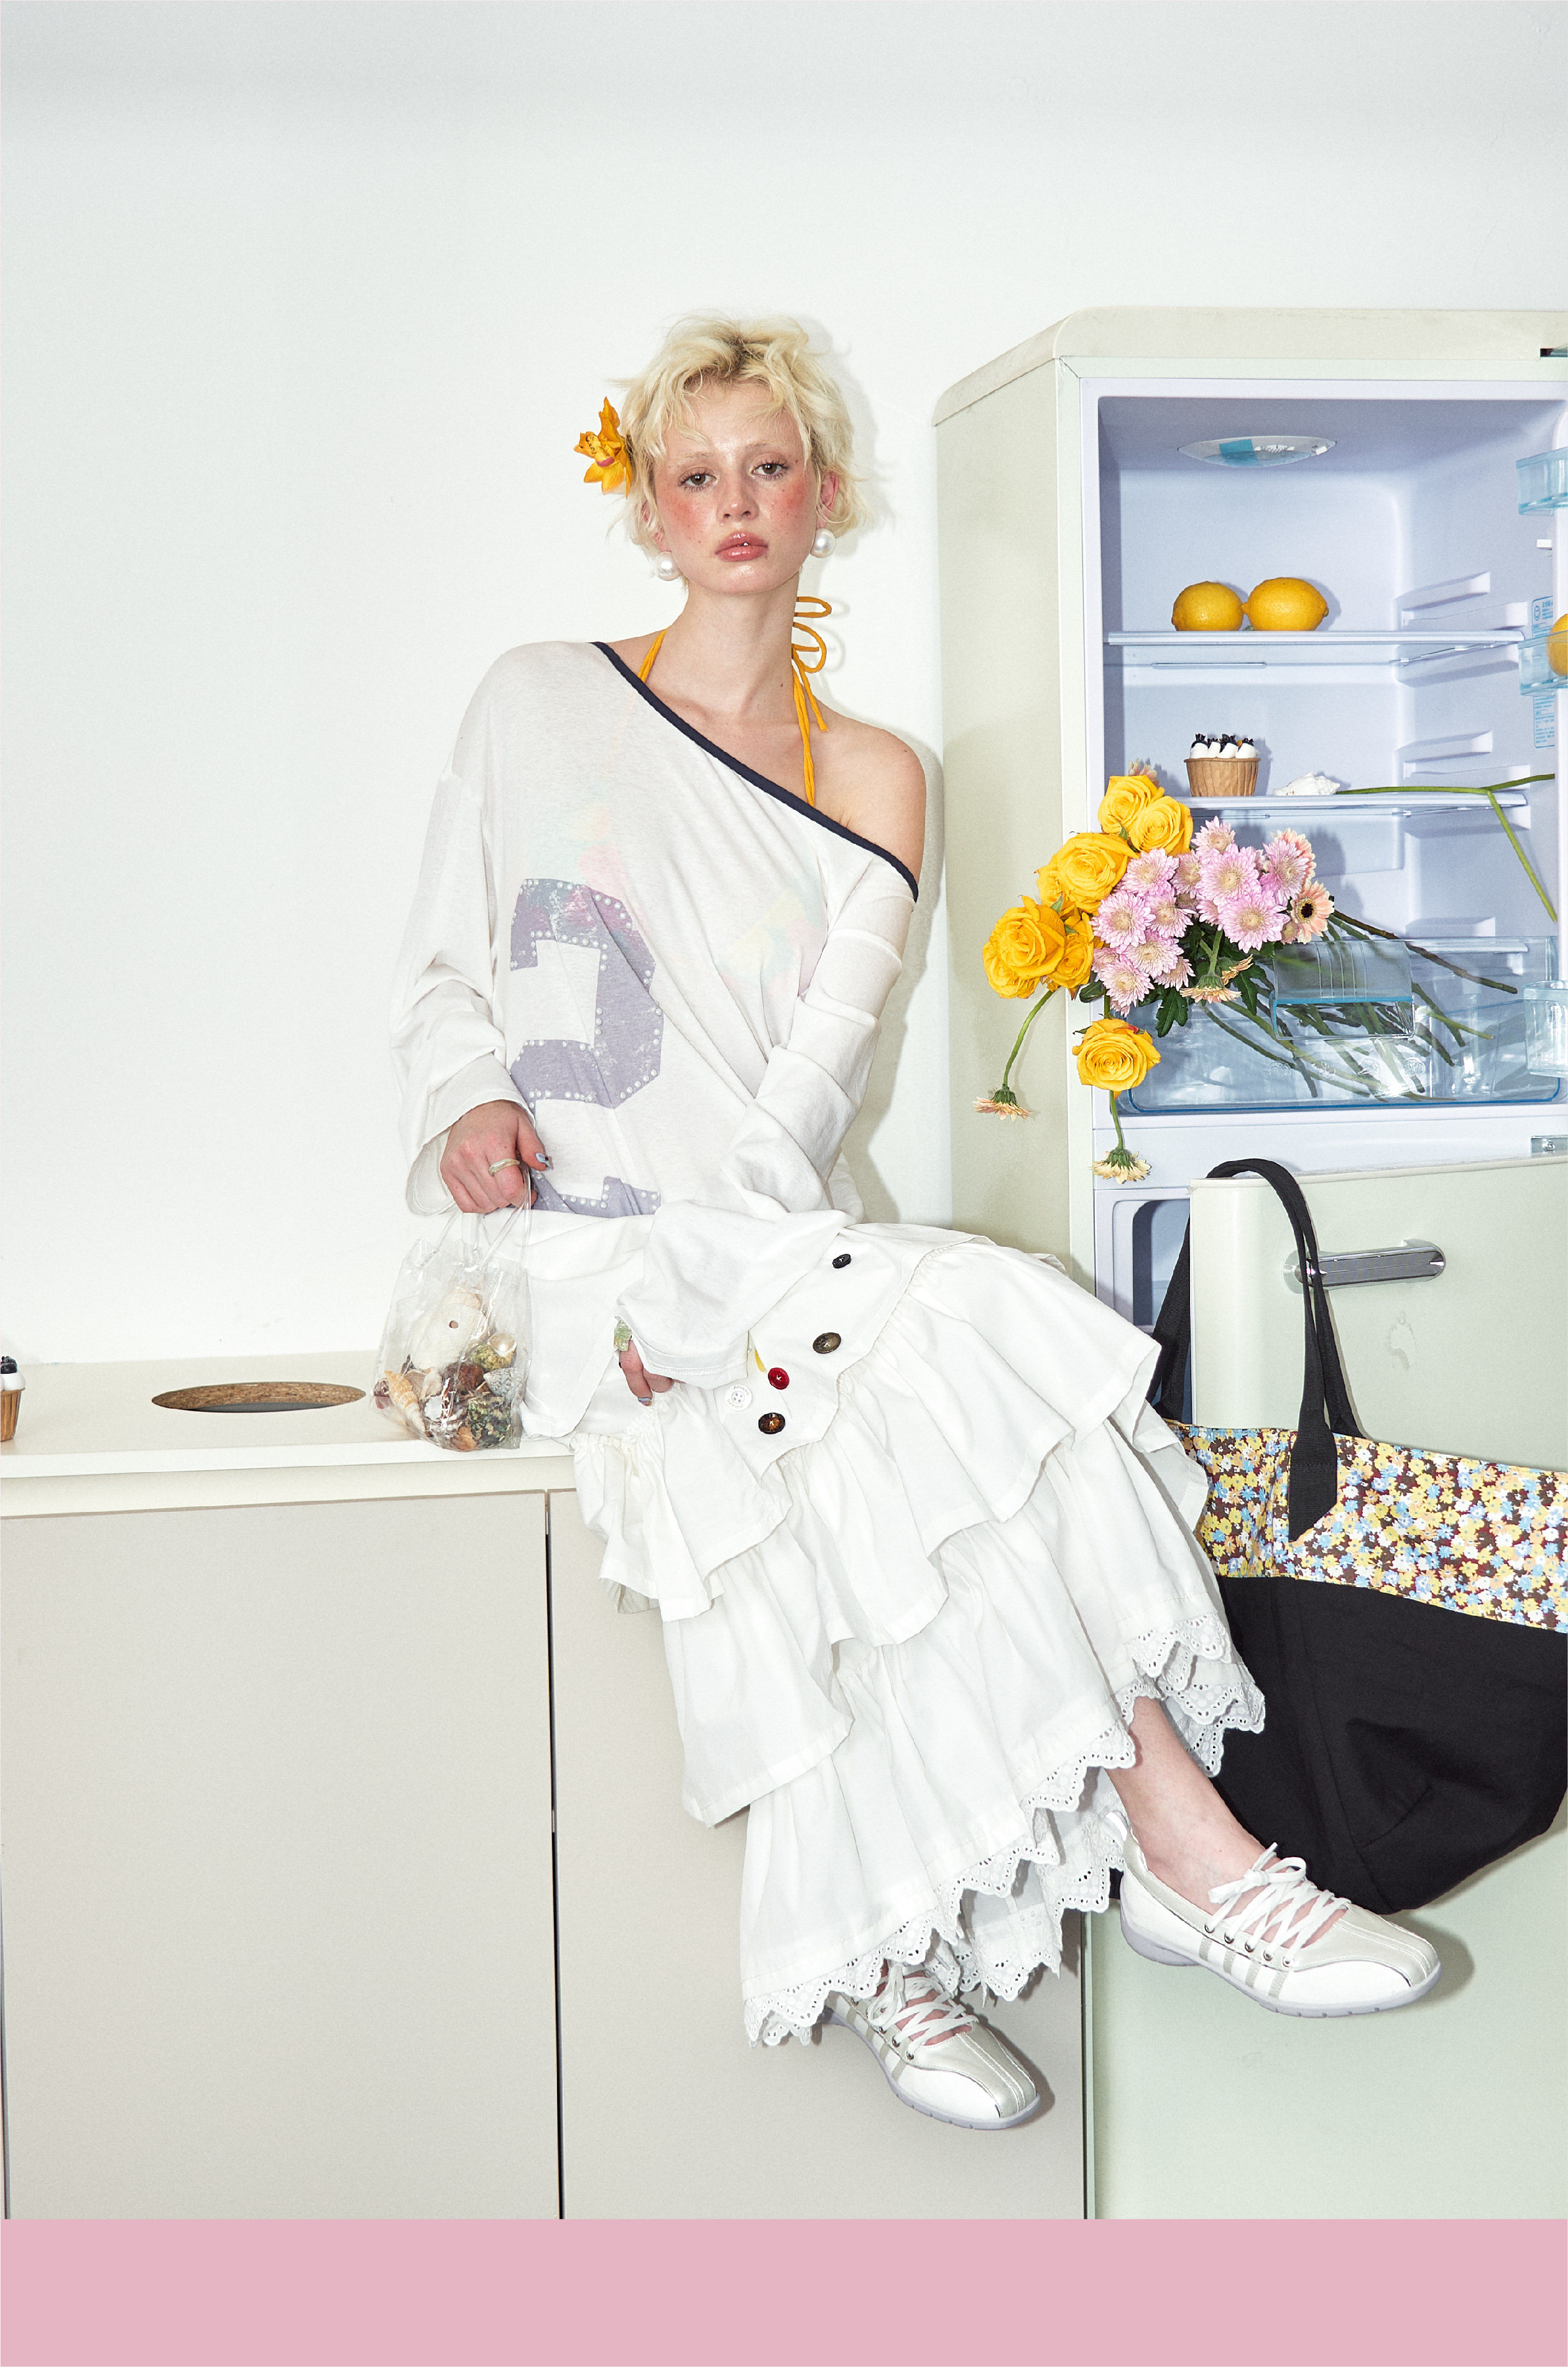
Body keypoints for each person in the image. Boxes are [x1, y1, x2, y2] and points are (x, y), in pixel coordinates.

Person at [390, 315, 1439, 2131]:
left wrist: (717, 1278)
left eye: (768, 467)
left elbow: (821, 1074)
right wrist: (466, 1099)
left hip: (756, 1243)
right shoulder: (533, 698)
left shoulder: (878, 772)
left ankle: (929, 1941)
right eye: (696, 473)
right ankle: (1183, 1863)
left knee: (916, 1373)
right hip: (555, 1265)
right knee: (958, 1335)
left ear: (825, 493)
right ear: (648, 505)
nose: (735, 502)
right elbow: (440, 975)